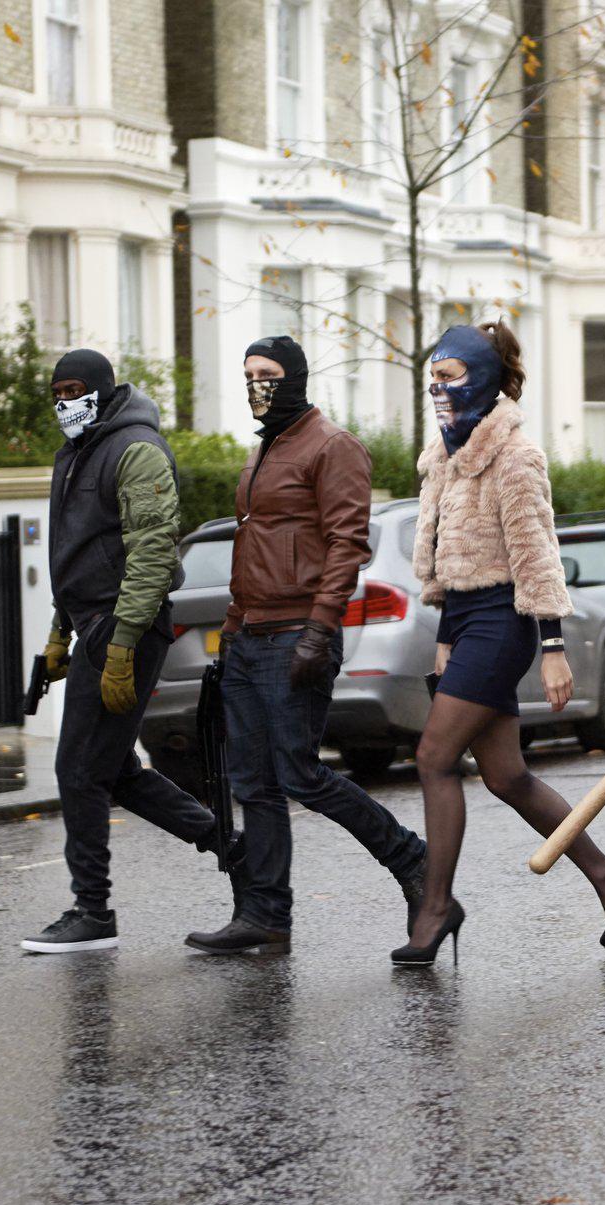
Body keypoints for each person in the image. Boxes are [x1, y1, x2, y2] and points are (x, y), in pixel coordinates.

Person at [398, 321, 605, 965]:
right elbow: (450, 561)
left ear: (480, 377)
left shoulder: (514, 456)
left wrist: (555, 646)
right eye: (433, 376)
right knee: (506, 776)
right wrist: (446, 634)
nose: (437, 388)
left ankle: (436, 906)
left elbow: (538, 554)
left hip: (505, 625)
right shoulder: (445, 456)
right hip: (467, 622)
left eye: (450, 376)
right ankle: (603, 872)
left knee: (433, 757)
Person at [182, 336, 430, 955]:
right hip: (250, 635)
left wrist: (321, 629)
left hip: (298, 633)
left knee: (300, 774)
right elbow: (252, 549)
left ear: (294, 377)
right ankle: (264, 917)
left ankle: (412, 860)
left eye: (267, 374)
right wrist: (232, 633)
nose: (256, 386)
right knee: (254, 783)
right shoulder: (264, 449)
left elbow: (348, 542)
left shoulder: (332, 446)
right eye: (247, 376)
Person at [21, 350, 237, 953]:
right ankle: (239, 851)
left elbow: (149, 553)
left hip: (126, 628)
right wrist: (59, 633)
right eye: (56, 392)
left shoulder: (135, 448)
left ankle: (92, 913)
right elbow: (80, 555)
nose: (65, 402)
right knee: (116, 773)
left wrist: (120, 647)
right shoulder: (77, 452)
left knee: (78, 769)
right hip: (93, 626)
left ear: (102, 390)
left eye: (75, 390)